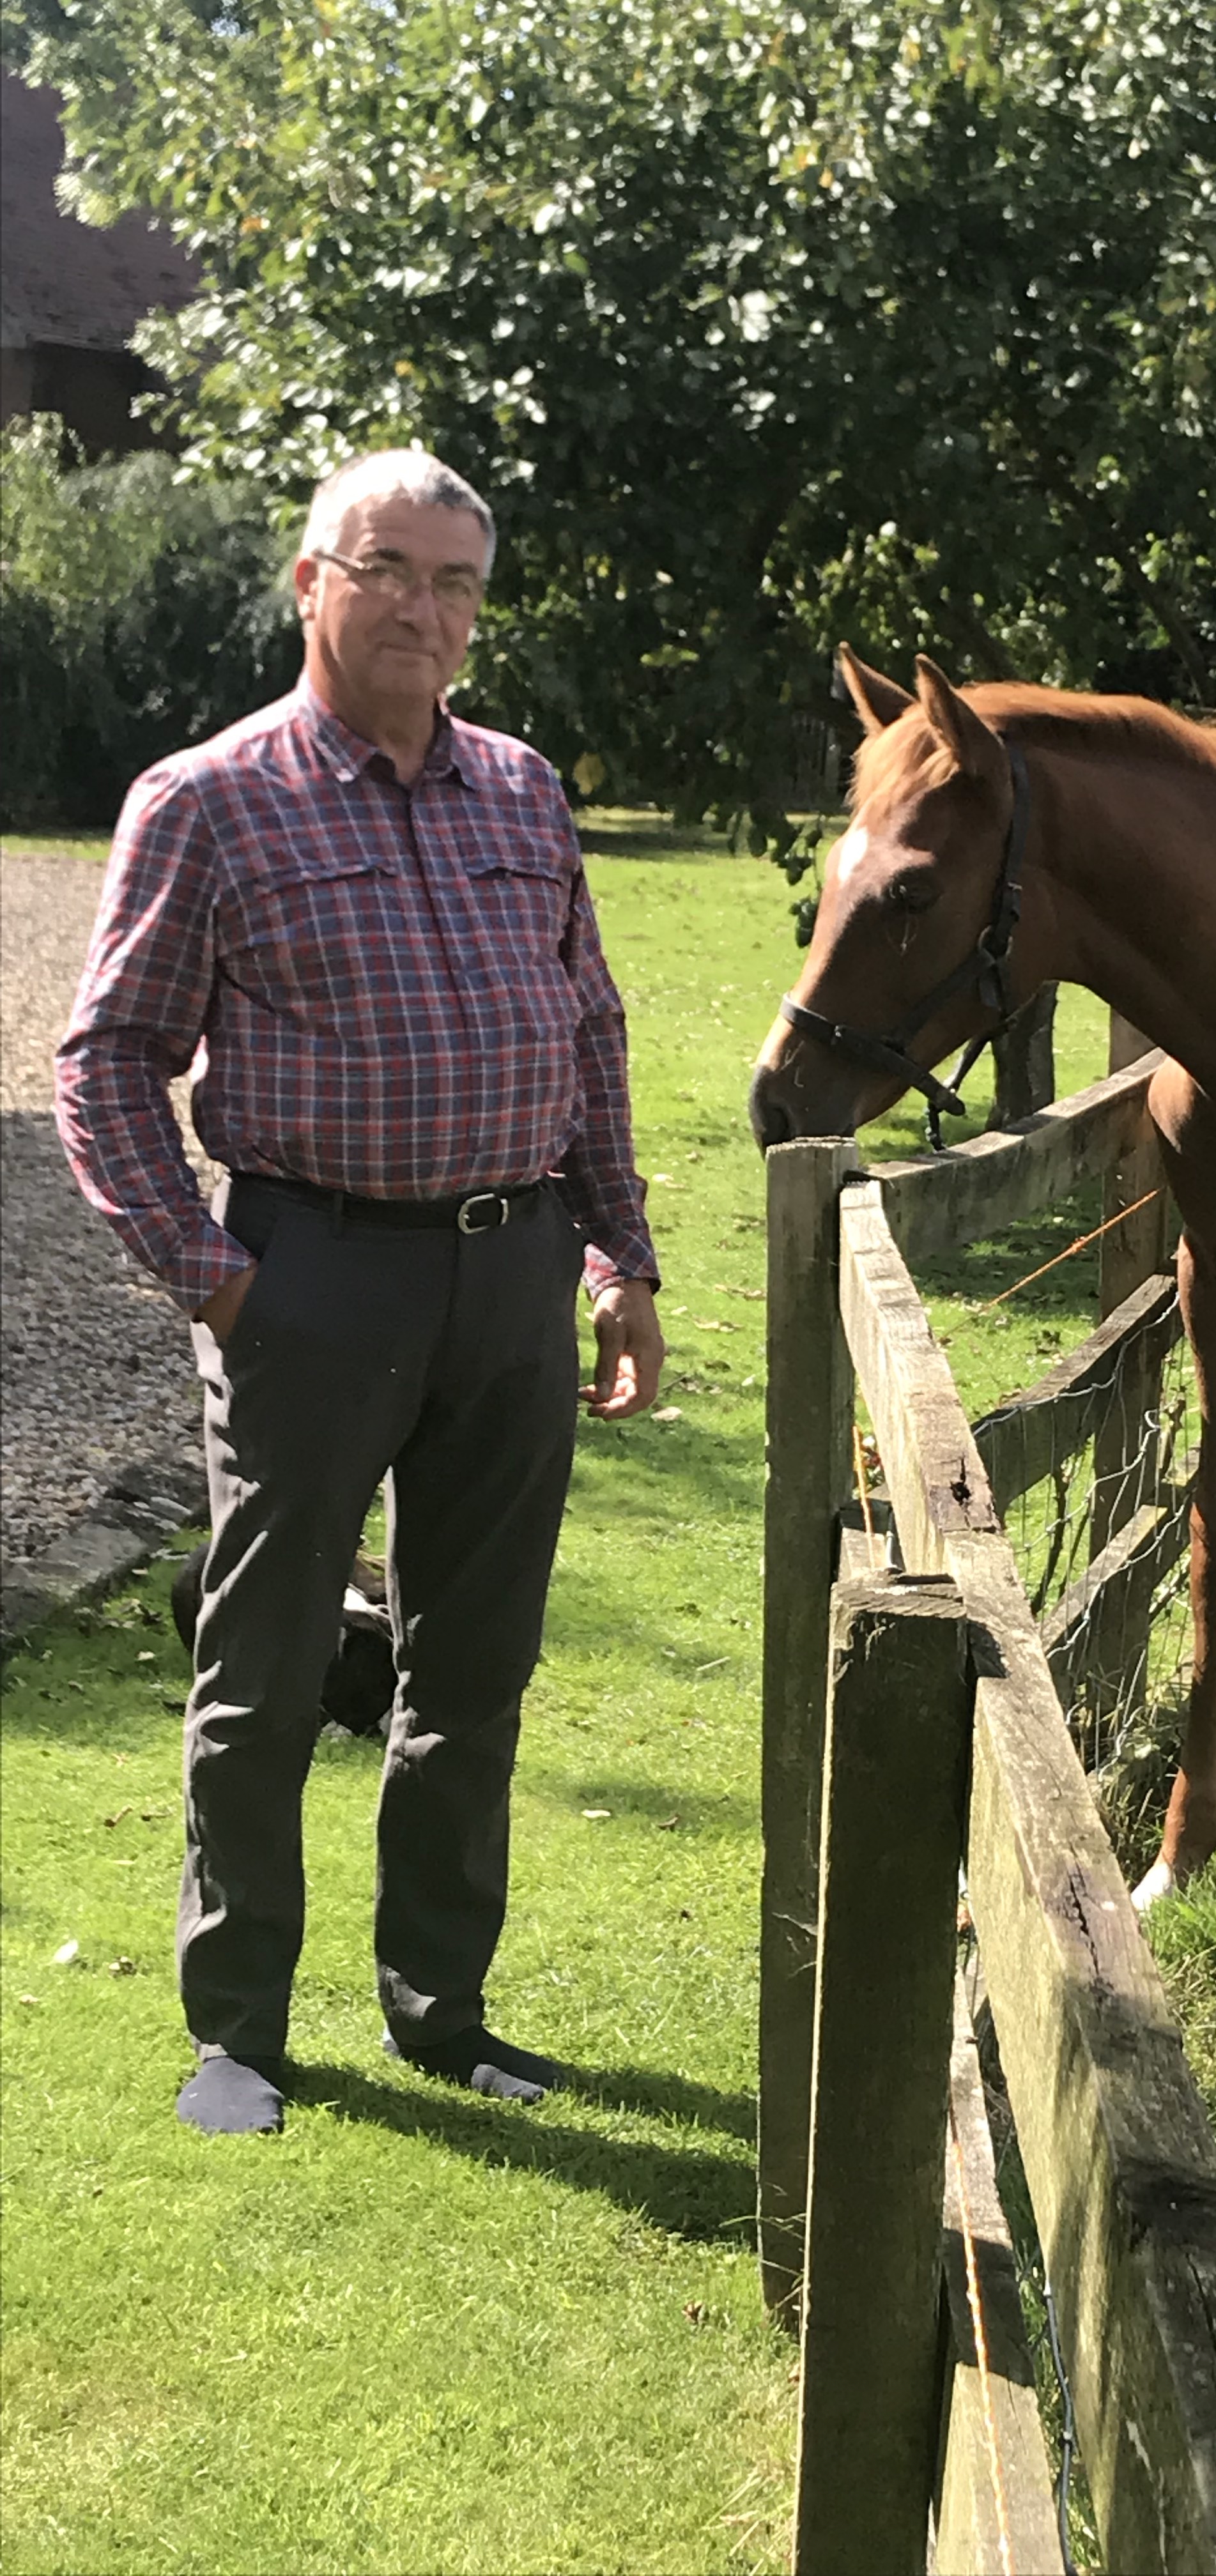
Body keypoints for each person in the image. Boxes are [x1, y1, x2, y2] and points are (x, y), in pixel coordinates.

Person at [56, 448, 665, 2136]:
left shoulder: (525, 793)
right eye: (389, 569)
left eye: (457, 581)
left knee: (472, 1673)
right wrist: (215, 1280)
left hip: (515, 1276)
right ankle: (238, 2030)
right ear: (311, 585)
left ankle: (443, 2014)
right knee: (262, 1667)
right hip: (312, 1282)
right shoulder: (213, 798)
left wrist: (619, 1261)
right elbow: (106, 1066)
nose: (425, 607)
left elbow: (592, 1041)